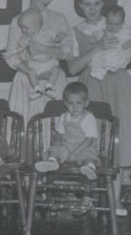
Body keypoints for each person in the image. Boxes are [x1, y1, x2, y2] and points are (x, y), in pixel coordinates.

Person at [67, 0, 131, 215]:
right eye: (87, 4)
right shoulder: (76, 31)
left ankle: (116, 199)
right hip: (91, 86)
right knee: (91, 141)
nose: (92, 9)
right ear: (80, 6)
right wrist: (98, 50)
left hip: (119, 86)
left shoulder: (114, 23)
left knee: (119, 141)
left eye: (97, 3)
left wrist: (120, 59)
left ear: (103, 4)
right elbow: (72, 68)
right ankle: (88, 198)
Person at [5, 0, 73, 142]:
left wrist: (44, 49)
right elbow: (12, 56)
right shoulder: (18, 21)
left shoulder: (59, 19)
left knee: (56, 129)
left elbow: (68, 52)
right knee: (26, 130)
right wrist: (29, 71)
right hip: (27, 80)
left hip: (53, 79)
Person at [34, 82, 101, 214]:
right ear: (65, 104)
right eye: (71, 103)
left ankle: (89, 168)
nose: (75, 107)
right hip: (67, 147)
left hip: (84, 147)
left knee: (88, 156)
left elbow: (89, 139)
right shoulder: (63, 117)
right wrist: (58, 146)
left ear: (86, 103)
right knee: (55, 149)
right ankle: (52, 162)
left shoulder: (88, 117)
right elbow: (59, 136)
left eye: (79, 103)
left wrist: (75, 153)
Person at [3, 8, 65, 100]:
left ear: (36, 25)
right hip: (35, 64)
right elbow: (19, 48)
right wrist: (12, 52)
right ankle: (37, 89)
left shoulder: (47, 33)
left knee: (56, 69)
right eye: (21, 28)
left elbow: (58, 43)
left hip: (49, 62)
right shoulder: (25, 38)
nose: (23, 30)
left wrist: (59, 38)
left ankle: (49, 87)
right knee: (31, 72)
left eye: (25, 27)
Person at [90, 5, 131, 81]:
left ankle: (110, 68)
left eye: (116, 24)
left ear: (122, 23)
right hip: (106, 51)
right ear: (106, 22)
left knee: (114, 56)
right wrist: (95, 41)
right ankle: (99, 71)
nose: (112, 27)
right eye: (110, 23)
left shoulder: (125, 31)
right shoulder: (105, 31)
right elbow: (98, 38)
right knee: (97, 56)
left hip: (119, 50)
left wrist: (129, 43)